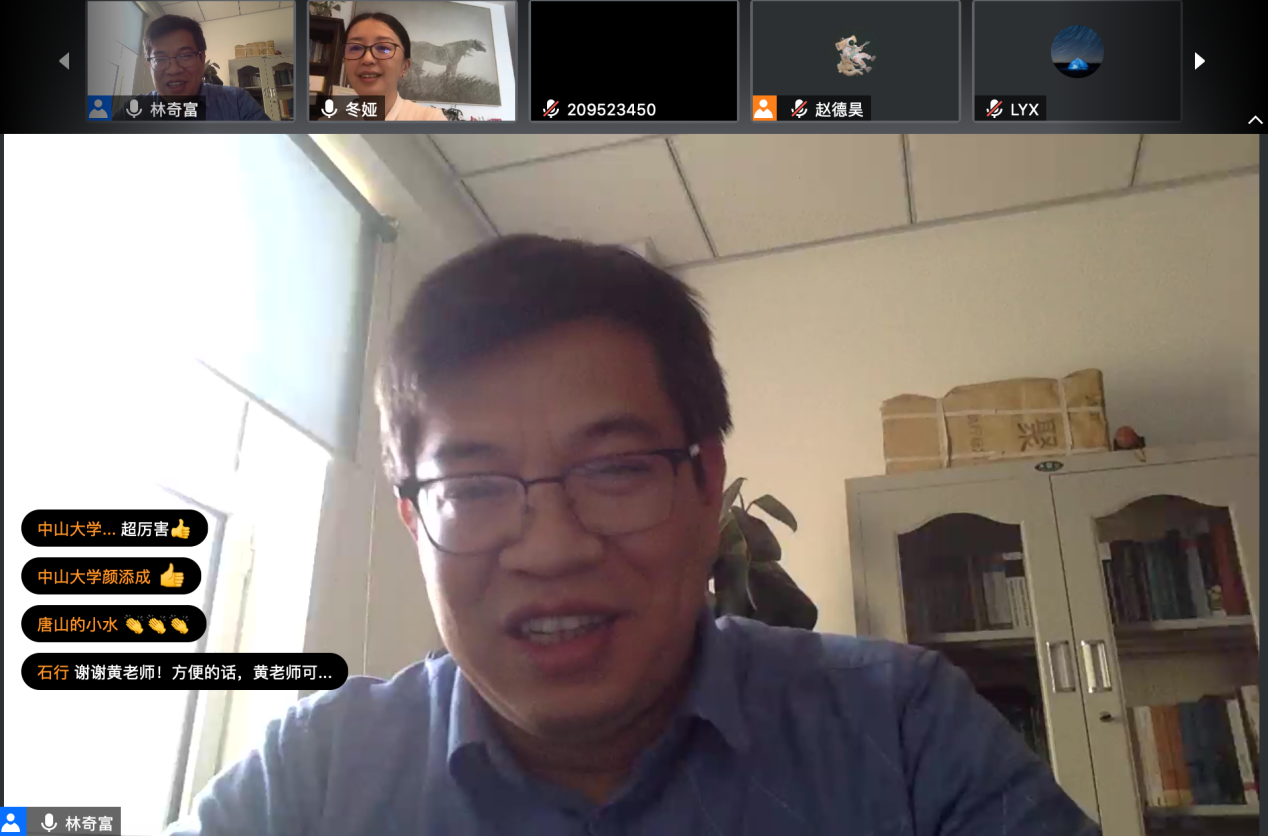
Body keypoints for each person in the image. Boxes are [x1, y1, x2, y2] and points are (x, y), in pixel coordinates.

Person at [164, 235, 1100, 835]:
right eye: (473, 486)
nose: (550, 548)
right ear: (414, 516)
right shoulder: (315, 778)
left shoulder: (900, 731)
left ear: (705, 482)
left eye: (613, 469)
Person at [137, 15, 269, 121]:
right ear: (149, 65)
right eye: (160, 59)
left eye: (185, 56)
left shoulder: (237, 102)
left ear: (202, 59)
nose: (174, 70)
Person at [342, 12, 447, 121]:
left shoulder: (430, 120)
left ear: (404, 66)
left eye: (383, 48)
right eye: (355, 48)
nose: (367, 59)